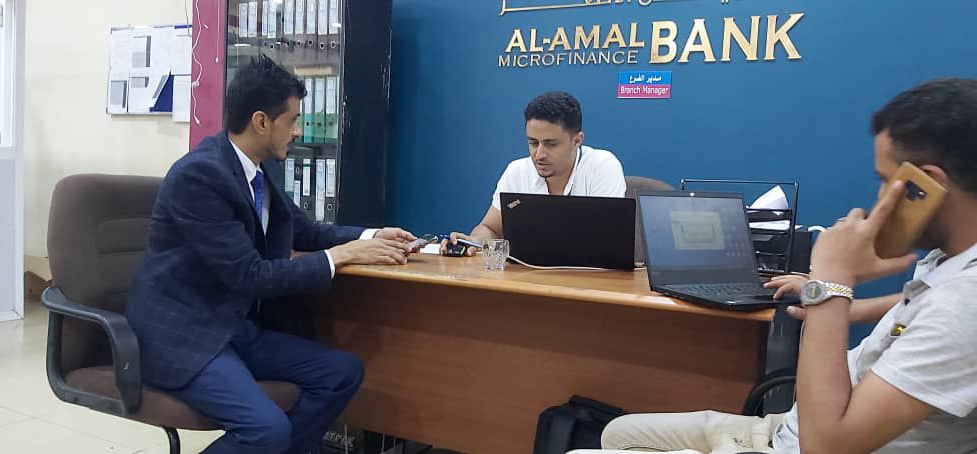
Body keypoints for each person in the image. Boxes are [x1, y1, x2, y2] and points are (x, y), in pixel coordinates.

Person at [576, 78, 977, 454]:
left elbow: (825, 446)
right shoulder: (951, 266)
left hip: (805, 440)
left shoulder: (963, 304)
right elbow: (922, 312)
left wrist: (832, 283)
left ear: (927, 186)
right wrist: (846, 305)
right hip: (785, 427)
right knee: (616, 433)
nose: (879, 197)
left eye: (885, 180)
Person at [124, 54, 417, 454]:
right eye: (292, 120)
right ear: (261, 122)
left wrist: (371, 235)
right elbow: (251, 276)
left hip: (234, 327)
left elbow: (304, 230)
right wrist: (341, 256)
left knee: (341, 373)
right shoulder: (200, 175)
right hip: (186, 336)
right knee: (266, 430)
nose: (297, 131)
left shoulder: (263, 168)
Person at [443, 91, 626, 253]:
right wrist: (474, 241)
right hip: (527, 277)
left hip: (587, 278)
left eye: (551, 144)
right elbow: (490, 229)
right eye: (533, 143)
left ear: (577, 141)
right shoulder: (517, 171)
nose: (539, 154)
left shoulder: (602, 167)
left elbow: (606, 241)